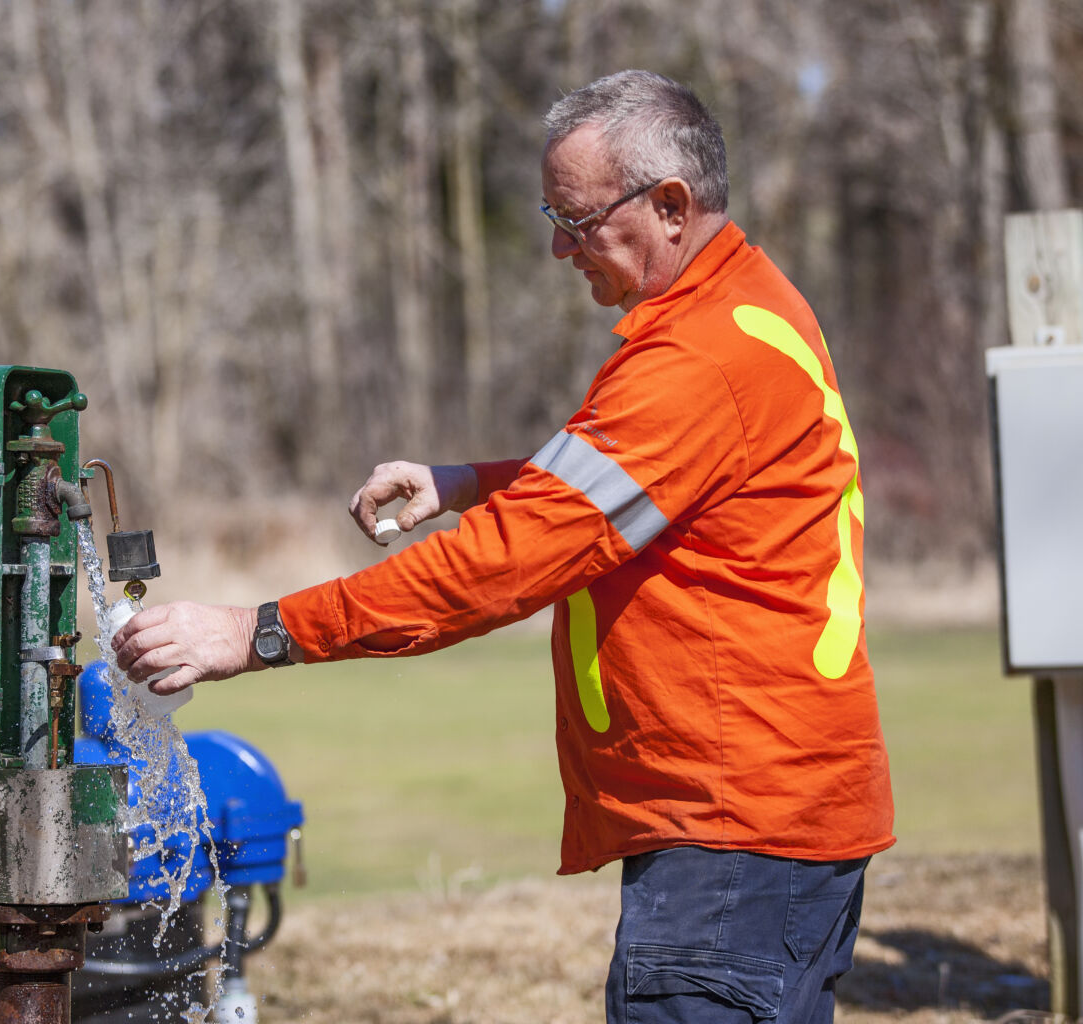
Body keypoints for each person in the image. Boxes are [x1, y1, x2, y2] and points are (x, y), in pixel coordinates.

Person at [112, 69, 894, 1023]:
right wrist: (468, 483)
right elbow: (641, 484)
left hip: (733, 836)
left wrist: (258, 631)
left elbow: (503, 565)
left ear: (671, 206)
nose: (559, 246)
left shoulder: (694, 361)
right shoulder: (751, 306)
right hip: (779, 819)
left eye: (575, 218)